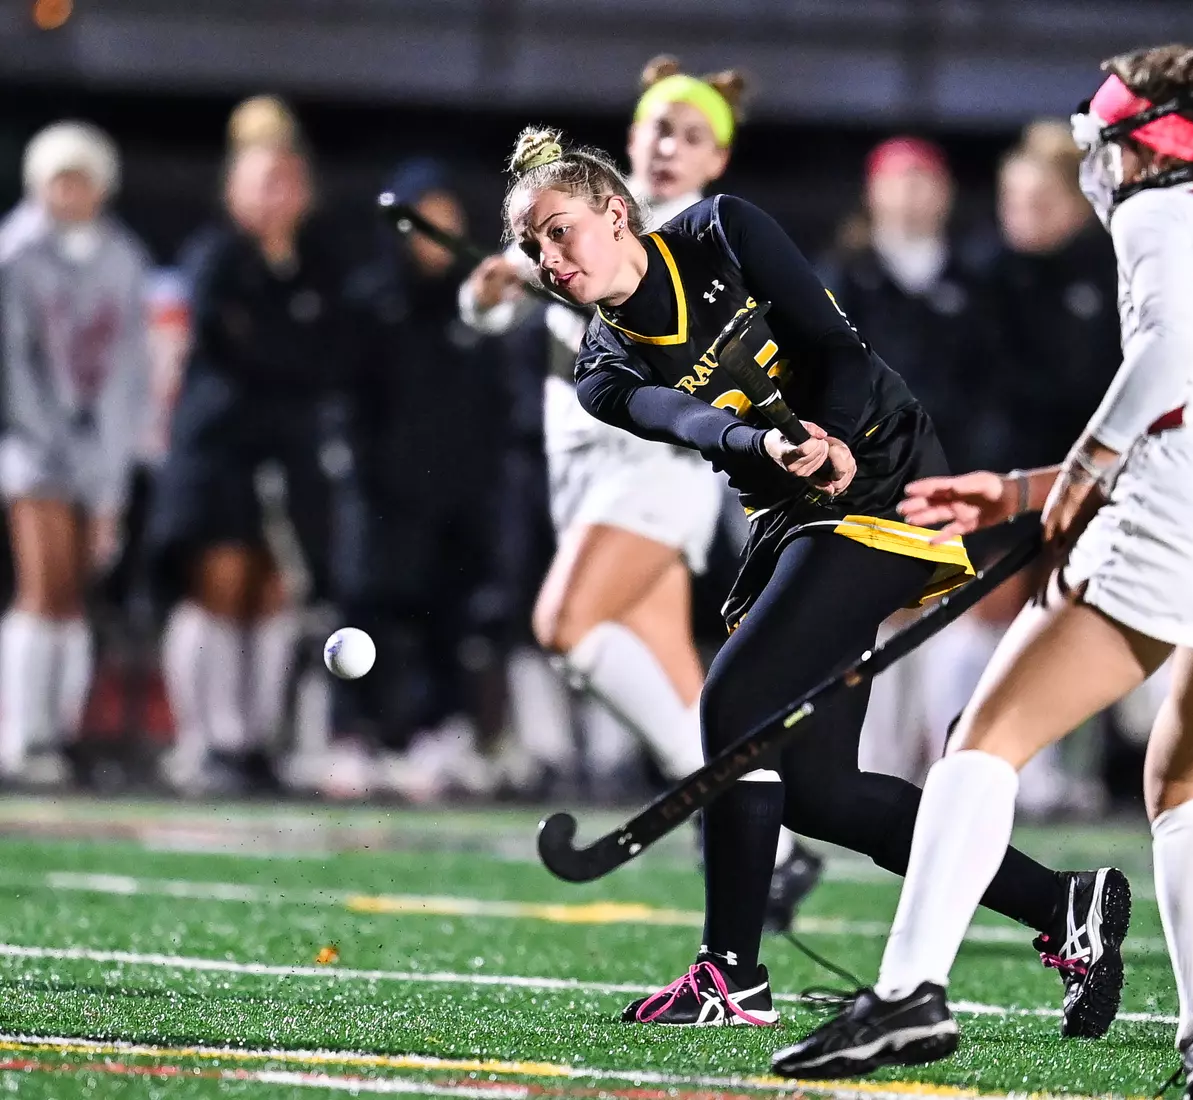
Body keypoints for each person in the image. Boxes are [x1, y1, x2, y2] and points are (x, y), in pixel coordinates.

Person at [773, 46, 1193, 1099]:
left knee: (983, 742)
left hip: (1184, 519)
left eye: (1106, 144)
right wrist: (1025, 490)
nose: (1097, 168)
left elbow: (1160, 366)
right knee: (1186, 783)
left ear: (1146, 146)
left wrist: (1080, 472)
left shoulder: (1159, 218)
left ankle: (906, 993)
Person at [505, 126, 1126, 1032]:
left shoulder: (723, 230)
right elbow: (692, 422)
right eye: (530, 245)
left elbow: (835, 347)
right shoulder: (601, 370)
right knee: (823, 794)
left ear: (616, 210)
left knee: (733, 702)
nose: (547, 257)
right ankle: (1064, 906)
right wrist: (767, 444)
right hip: (793, 512)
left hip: (884, 471)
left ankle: (728, 972)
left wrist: (829, 432)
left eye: (559, 229)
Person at [461, 58, 822, 926]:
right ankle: (776, 835)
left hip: (653, 468)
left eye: (692, 136)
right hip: (582, 470)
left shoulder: (700, 238)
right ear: (630, 141)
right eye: (659, 129)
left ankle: (727, 808)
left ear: (717, 161)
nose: (670, 147)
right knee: (677, 681)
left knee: (567, 627)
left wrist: (560, 284)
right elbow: (503, 307)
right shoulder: (577, 222)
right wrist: (491, 293)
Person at [924, 120, 1126, 817]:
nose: (1024, 216)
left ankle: (1055, 774)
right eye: (1015, 201)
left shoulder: (1102, 275)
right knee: (978, 619)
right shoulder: (978, 274)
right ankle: (956, 761)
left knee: (1068, 623)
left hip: (1080, 477)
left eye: (1039, 202)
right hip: (996, 475)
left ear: (1073, 207)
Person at [147, 96, 348, 793]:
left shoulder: (317, 267)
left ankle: (253, 740)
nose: (278, 194)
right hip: (218, 447)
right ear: (234, 188)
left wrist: (284, 354)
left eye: (289, 181)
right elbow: (235, 347)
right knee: (219, 585)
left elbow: (318, 356)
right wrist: (284, 353)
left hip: (286, 452)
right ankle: (205, 741)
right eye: (264, 180)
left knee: (274, 591)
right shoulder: (216, 258)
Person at [323, 158, 512, 801]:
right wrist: (362, 479)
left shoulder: (479, 308)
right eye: (421, 220)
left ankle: (435, 735)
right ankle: (353, 738)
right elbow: (346, 404)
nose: (435, 234)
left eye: (445, 220)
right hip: (380, 497)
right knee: (366, 620)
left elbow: (495, 407)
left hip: (454, 498)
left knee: (447, 624)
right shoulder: (369, 302)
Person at [815, 137, 986, 783]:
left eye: (925, 178)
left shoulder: (973, 282)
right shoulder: (839, 276)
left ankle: (944, 767)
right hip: (862, 475)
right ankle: (875, 770)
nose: (913, 192)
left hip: (954, 476)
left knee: (946, 616)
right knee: (875, 614)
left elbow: (986, 388)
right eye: (900, 178)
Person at [0, 121, 150, 784]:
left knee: (73, 595)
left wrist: (108, 462)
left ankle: (57, 734)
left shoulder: (123, 257)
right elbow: (14, 364)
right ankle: (20, 732)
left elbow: (127, 368)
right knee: (42, 586)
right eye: (59, 178)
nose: (71, 192)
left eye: (82, 178)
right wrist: (49, 439)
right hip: (30, 444)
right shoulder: (15, 253)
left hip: (98, 448)